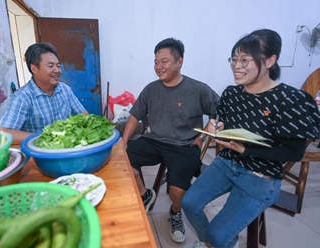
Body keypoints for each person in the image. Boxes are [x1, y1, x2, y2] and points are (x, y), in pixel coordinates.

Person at [182, 29, 320, 248]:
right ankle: (209, 242)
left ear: (270, 60)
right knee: (188, 203)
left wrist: (246, 150)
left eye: (245, 60)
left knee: (219, 235)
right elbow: (221, 120)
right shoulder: (231, 93)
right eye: (234, 60)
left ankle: (219, 242)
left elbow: (293, 153)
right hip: (226, 163)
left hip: (259, 176)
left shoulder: (291, 100)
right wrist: (216, 126)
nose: (237, 66)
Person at [122, 38, 219, 243]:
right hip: (154, 140)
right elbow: (135, 115)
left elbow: (219, 112)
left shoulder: (198, 89)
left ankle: (175, 213)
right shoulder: (151, 89)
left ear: (179, 61)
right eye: (156, 62)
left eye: (164, 61)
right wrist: (123, 141)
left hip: (184, 145)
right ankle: (145, 193)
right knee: (122, 159)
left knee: (178, 194)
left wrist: (203, 135)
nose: (158, 67)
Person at [0, 42, 88, 143]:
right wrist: (45, 137)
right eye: (50, 66)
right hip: (39, 153)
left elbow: (84, 116)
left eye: (58, 66)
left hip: (65, 149)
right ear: (34, 69)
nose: (57, 70)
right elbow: (3, 133)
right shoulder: (22, 97)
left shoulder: (65, 89)